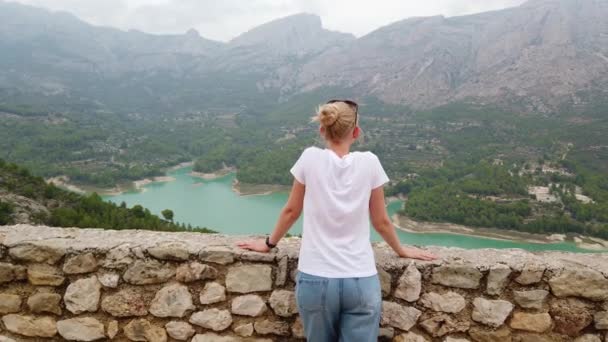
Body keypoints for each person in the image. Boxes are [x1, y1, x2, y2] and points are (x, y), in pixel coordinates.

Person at [237, 99, 438, 342]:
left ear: (322, 130)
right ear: (356, 132)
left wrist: (268, 244)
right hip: (360, 279)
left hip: (315, 278)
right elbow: (381, 221)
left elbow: (291, 210)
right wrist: (402, 250)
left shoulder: (309, 157)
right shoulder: (370, 162)